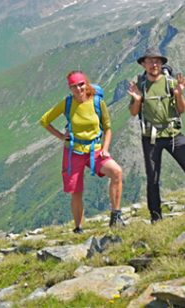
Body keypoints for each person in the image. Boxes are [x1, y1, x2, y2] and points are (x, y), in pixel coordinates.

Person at [39, 71, 125, 232]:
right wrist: (60, 136)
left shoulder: (98, 103)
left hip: (96, 150)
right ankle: (78, 228)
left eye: (81, 84)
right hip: (74, 152)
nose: (78, 89)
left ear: (86, 84)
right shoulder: (67, 103)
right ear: (70, 88)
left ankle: (116, 215)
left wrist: (105, 149)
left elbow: (107, 128)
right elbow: (45, 120)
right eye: (74, 86)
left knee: (116, 172)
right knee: (76, 191)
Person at [127, 47, 185, 223]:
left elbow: (182, 109)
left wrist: (179, 94)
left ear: (161, 64)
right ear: (144, 64)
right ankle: (156, 217)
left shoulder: (171, 83)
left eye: (157, 61)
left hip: (173, 134)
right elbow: (133, 112)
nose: (154, 64)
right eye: (150, 61)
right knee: (153, 178)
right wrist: (137, 100)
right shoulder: (140, 85)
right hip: (151, 137)